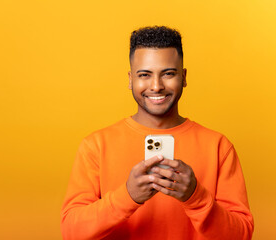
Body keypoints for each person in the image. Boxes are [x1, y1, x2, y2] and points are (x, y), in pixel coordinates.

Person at [61, 26, 254, 240]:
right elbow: (71, 232)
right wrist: (128, 196)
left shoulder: (218, 146)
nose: (156, 86)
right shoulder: (96, 146)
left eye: (168, 74)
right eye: (144, 74)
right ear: (130, 79)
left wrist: (195, 196)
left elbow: (241, 235)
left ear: (184, 77)